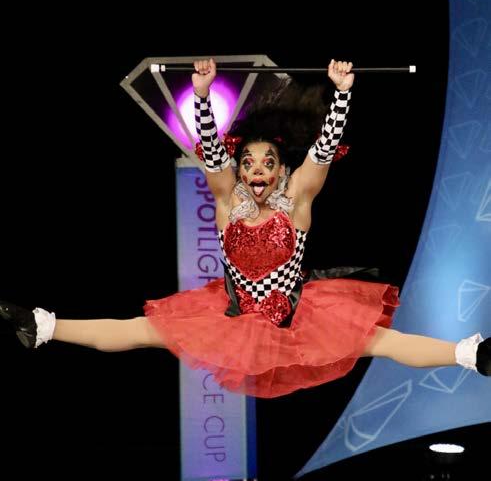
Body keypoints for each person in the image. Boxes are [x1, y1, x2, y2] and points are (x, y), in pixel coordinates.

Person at [1, 59, 490, 397]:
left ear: (281, 172)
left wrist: (342, 95)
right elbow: (212, 154)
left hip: (300, 318)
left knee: (383, 342)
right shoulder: (228, 202)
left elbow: (322, 153)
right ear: (240, 172)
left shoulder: (296, 204)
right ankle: (45, 326)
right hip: (233, 317)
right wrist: (201, 97)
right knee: (141, 330)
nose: (257, 170)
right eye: (249, 163)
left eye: (268, 163)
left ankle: (471, 354)